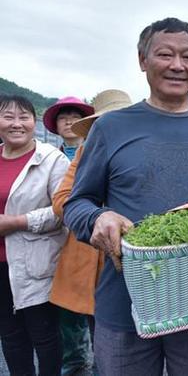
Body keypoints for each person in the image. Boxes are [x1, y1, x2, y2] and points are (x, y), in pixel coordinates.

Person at [63, 17, 188, 375]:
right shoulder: (110, 127)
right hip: (126, 303)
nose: (177, 65)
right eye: (165, 54)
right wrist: (98, 217)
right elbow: (76, 203)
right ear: (143, 61)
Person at [0, 95, 70, 375]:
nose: (16, 124)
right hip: (1, 266)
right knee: (10, 335)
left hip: (37, 263)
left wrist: (17, 221)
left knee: (45, 336)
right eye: (8, 117)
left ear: (34, 122)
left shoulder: (52, 161)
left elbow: (62, 211)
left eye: (24, 117)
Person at [43, 95, 96, 375]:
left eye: (74, 117)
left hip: (91, 245)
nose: (69, 122)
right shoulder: (50, 157)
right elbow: (60, 200)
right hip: (64, 245)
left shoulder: (90, 149)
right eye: (64, 118)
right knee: (70, 318)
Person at [43, 96, 94, 161]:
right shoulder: (51, 159)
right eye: (62, 118)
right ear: (56, 125)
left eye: (75, 117)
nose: (68, 122)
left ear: (85, 123)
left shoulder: (98, 153)